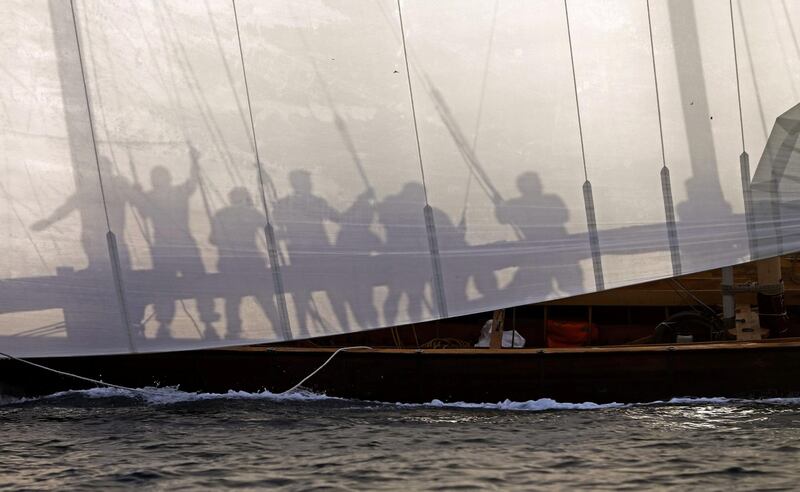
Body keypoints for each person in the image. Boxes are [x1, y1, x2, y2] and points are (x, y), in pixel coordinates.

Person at [130, 147, 218, 339]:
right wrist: (137, 195)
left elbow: (143, 212)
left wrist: (136, 194)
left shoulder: (154, 196)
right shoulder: (170, 193)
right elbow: (193, 182)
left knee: (167, 286)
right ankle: (203, 320)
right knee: (193, 283)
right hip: (180, 246)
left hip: (168, 248)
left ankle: (171, 322)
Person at [210, 187, 278, 339]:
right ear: (246, 198)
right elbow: (271, 230)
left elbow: (212, 239)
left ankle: (233, 332)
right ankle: (279, 328)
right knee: (265, 298)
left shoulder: (220, 214)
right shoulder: (253, 213)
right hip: (252, 262)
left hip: (229, 262)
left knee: (232, 299)